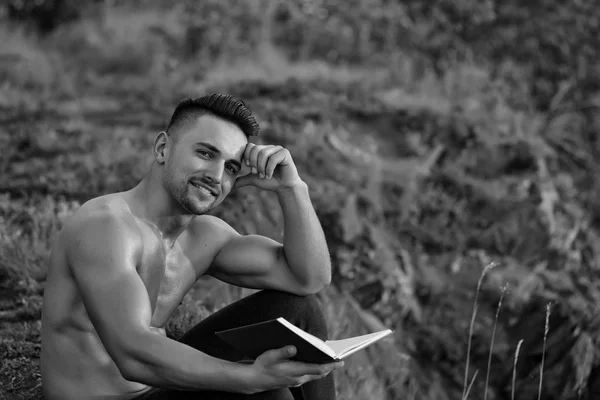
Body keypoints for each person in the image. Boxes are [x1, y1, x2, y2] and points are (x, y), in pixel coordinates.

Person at [40, 94, 344, 400]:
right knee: (269, 393)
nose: (215, 176)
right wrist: (248, 378)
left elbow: (308, 279)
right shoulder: (105, 227)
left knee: (297, 309)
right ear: (163, 148)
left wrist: (293, 189)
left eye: (230, 168)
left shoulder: (203, 237)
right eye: (206, 153)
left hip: (156, 388)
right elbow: (131, 353)